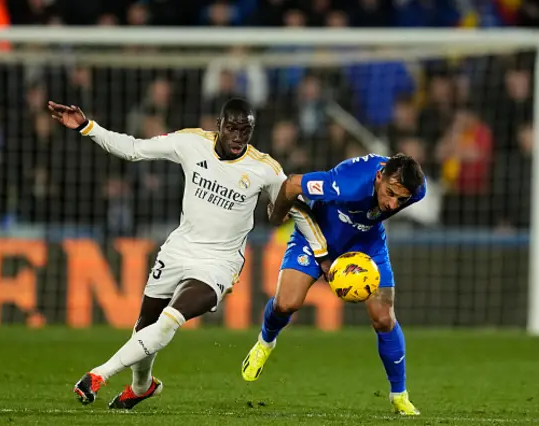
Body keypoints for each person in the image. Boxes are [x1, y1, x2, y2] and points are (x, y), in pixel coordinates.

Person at [48, 98, 327, 409]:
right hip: (179, 250)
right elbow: (133, 149)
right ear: (219, 125)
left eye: (245, 131)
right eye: (232, 129)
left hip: (218, 264)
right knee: (145, 326)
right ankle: (142, 386)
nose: (238, 137)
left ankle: (97, 375)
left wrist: (323, 254)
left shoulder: (265, 169)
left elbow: (296, 209)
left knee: (168, 321)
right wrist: (88, 127)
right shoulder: (191, 142)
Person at [241, 153, 426, 416]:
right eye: (390, 193)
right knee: (286, 304)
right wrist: (277, 215)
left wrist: (386, 203)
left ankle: (399, 395)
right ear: (378, 176)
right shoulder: (347, 182)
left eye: (401, 199)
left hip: (367, 243)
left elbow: (392, 200)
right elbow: (293, 183)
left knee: (384, 318)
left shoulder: (416, 190)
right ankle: (265, 342)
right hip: (318, 235)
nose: (392, 204)